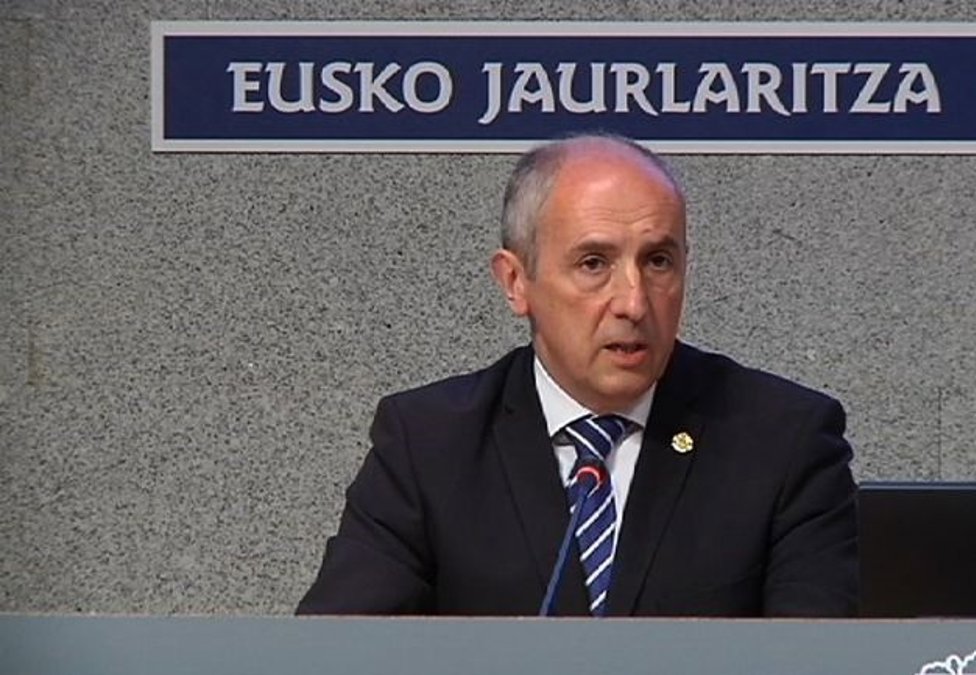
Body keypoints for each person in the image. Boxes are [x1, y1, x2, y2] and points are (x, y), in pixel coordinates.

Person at [297, 134, 858, 617]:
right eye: (594, 264)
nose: (634, 302)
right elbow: (338, 652)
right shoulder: (429, 445)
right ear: (516, 282)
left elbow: (818, 660)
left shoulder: (783, 441)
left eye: (658, 261)